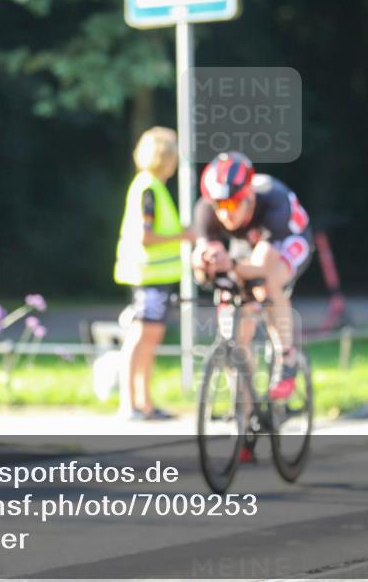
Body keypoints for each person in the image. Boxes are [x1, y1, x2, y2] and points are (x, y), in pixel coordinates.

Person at [192, 151, 313, 402]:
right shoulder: (206, 209)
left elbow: (260, 267)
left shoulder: (274, 202)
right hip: (248, 244)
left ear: (248, 196)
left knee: (266, 285)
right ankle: (245, 411)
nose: (225, 214)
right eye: (219, 206)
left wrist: (231, 264)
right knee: (236, 330)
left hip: (289, 239)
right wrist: (203, 262)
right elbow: (203, 262)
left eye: (232, 204)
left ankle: (286, 356)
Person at [113, 127, 193, 421]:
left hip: (154, 276)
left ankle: (144, 402)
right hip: (149, 275)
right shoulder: (149, 190)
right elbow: (148, 237)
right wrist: (184, 236)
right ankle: (130, 403)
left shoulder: (149, 187)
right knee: (141, 336)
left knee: (150, 337)